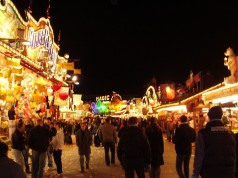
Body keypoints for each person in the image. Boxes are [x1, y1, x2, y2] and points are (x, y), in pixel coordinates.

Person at [192, 106, 236, 178]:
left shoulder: (203, 134)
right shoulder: (230, 134)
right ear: (221, 116)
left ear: (209, 116)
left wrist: (195, 173)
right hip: (228, 173)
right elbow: (234, 154)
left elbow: (199, 155)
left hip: (209, 173)